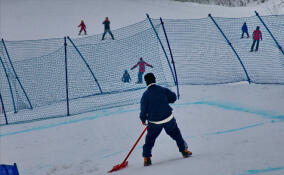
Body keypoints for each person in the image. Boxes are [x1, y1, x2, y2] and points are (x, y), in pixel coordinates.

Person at [140, 73, 192, 166]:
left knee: (150, 139)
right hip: (168, 118)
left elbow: (143, 110)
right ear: (154, 80)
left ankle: (147, 158)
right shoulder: (162, 89)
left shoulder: (145, 95)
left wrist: (143, 119)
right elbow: (173, 97)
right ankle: (184, 151)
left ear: (146, 82)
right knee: (176, 134)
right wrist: (164, 101)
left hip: (155, 122)